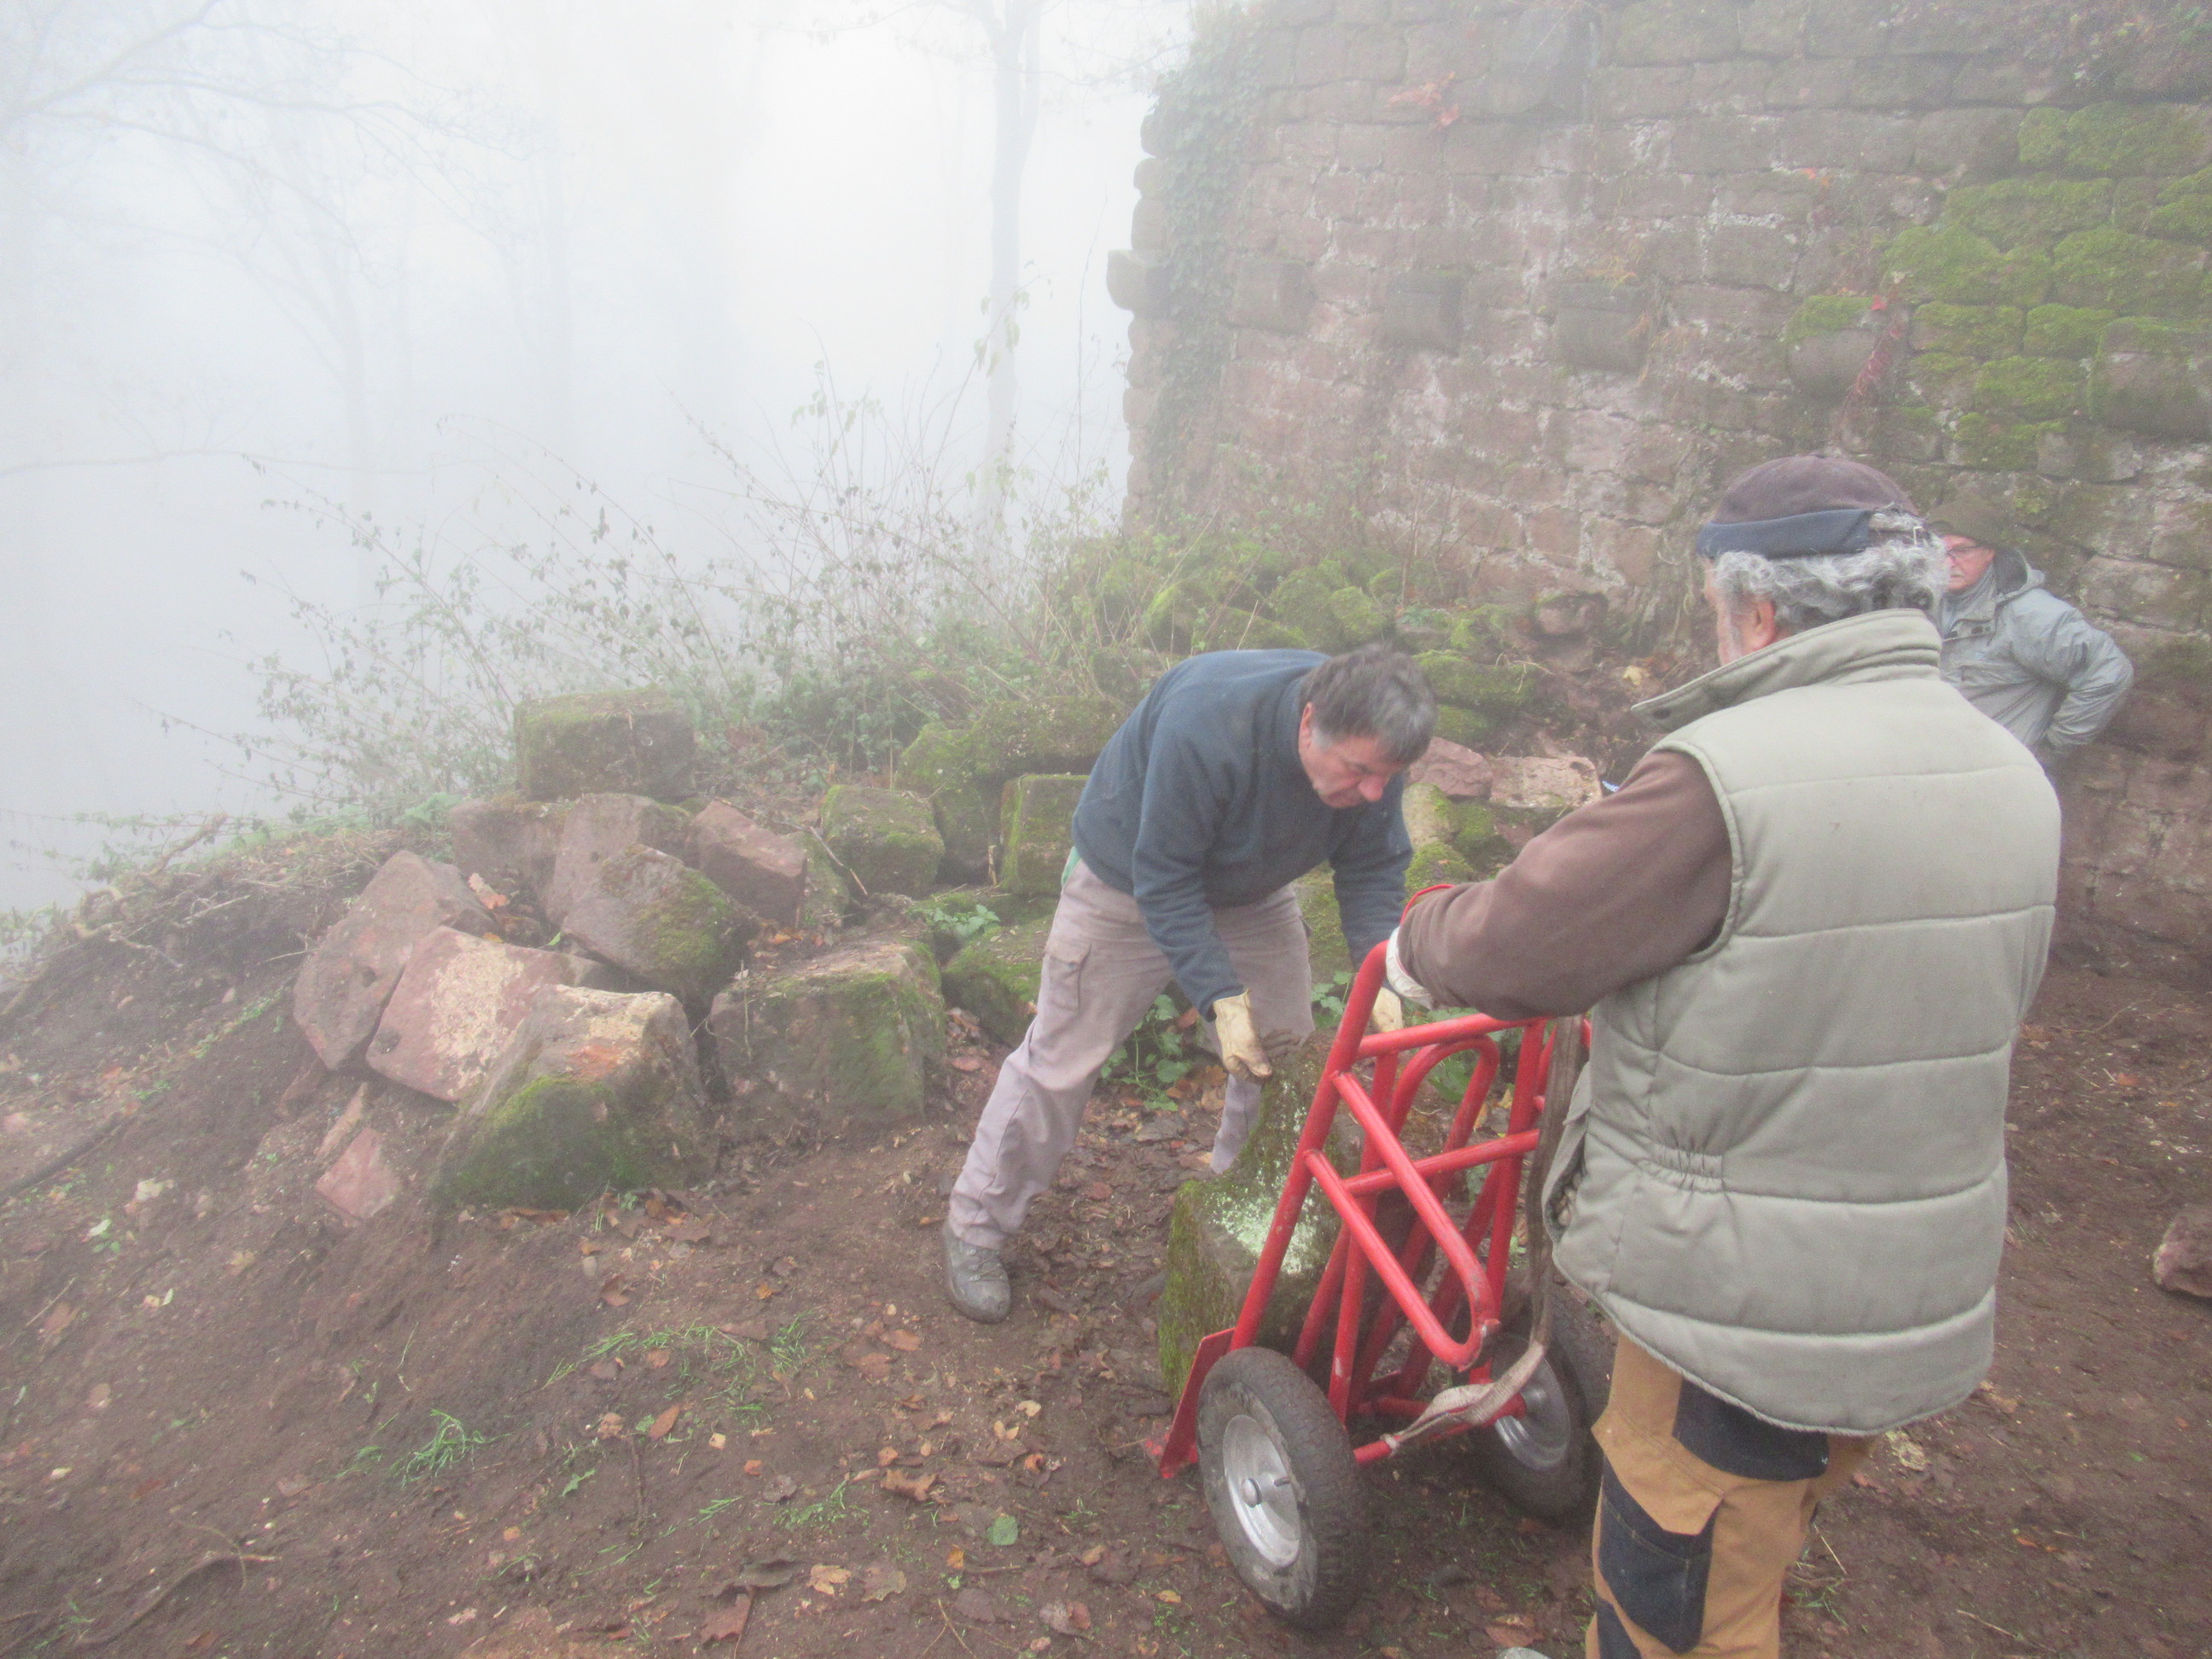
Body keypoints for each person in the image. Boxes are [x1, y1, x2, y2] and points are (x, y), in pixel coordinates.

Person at [1385, 457, 2060, 1659]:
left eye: (1715, 607)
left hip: (1741, 1306)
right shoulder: (2010, 771)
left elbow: (1517, 943)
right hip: (1903, 1285)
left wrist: (1413, 942)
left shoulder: (1724, 778)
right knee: (1756, 1541)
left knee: (1679, 1600)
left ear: (1758, 609)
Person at [942, 643, 1434, 1324]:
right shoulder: (1208, 722)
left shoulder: (1375, 746)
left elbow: (1374, 867)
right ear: (1309, 722)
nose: (1374, 793)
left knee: (1283, 1060)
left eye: (1387, 778)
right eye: (1358, 773)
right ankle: (975, 1227)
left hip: (1252, 893)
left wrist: (1377, 965)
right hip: (1128, 879)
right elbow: (1165, 879)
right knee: (1060, 1062)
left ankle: (1232, 1222)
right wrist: (1218, 995)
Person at [1931, 498, 2133, 765]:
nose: (1948, 563)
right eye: (1937, 550)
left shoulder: (2032, 616)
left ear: (1989, 551)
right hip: (1931, 762)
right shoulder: (1923, 600)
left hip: (1995, 770)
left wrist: (2050, 749)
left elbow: (2109, 673)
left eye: (1961, 550)